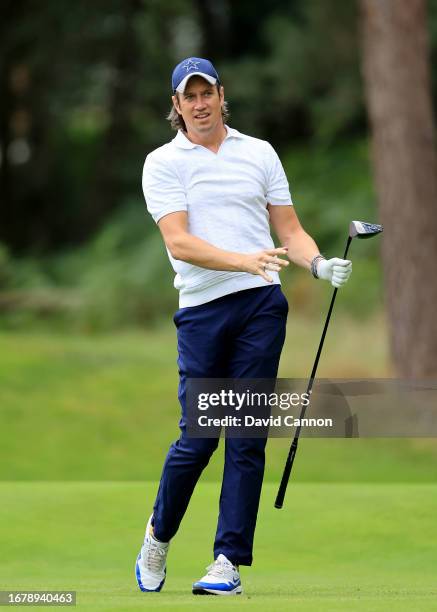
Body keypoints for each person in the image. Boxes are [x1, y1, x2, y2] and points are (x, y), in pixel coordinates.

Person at [136, 57, 352, 596]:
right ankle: (159, 536)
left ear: (221, 94)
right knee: (200, 437)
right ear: (177, 106)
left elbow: (290, 229)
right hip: (203, 312)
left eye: (208, 92)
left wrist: (320, 264)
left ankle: (227, 561)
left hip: (260, 306)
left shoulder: (259, 152)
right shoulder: (163, 162)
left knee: (248, 436)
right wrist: (244, 260)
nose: (201, 103)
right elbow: (179, 242)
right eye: (190, 96)